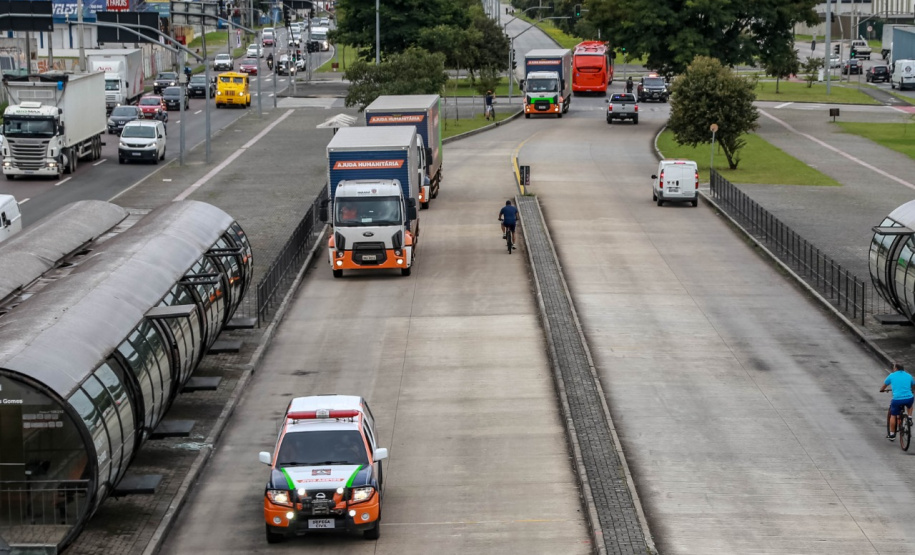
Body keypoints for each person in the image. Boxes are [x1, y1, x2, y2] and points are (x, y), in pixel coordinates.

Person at [881, 362, 915, 440]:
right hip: (909, 398)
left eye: (893, 367)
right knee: (910, 405)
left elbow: (884, 386)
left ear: (896, 368)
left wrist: (882, 390)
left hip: (897, 399)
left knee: (893, 415)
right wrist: (912, 390)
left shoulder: (891, 375)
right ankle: (909, 418)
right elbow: (913, 385)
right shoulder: (909, 375)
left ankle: (892, 434)